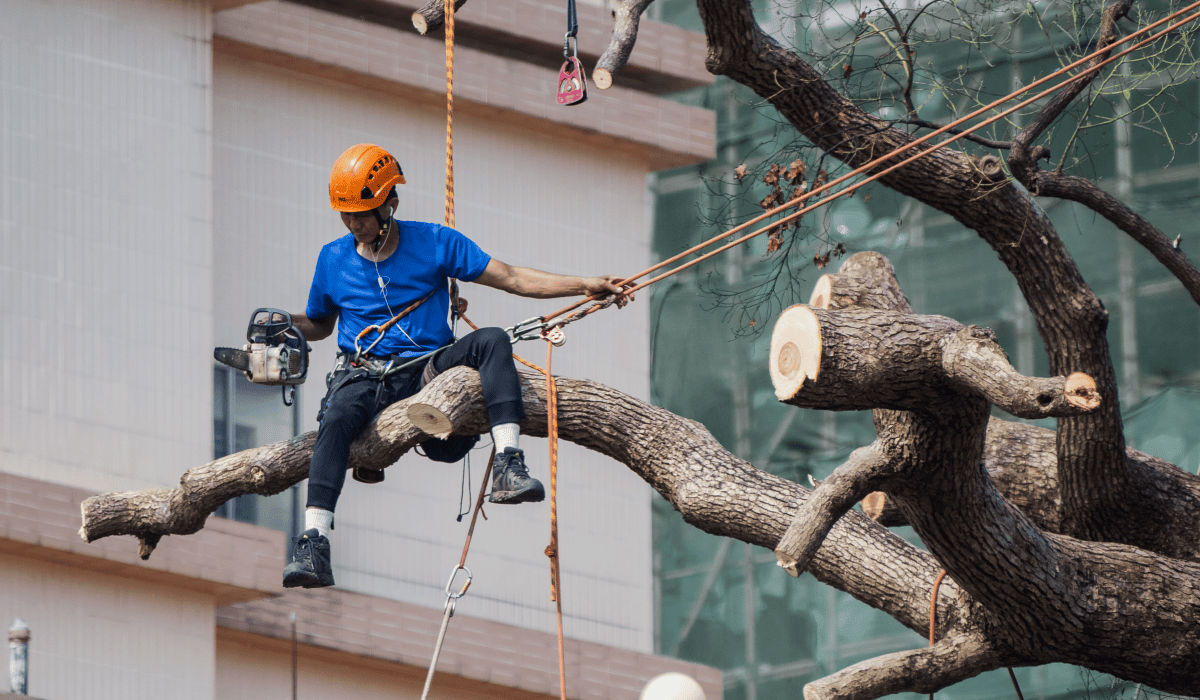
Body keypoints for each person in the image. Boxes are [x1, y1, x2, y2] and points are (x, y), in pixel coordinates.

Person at [280, 144, 631, 589]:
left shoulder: (434, 243)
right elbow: (321, 324)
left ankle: (509, 462)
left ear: (391, 203)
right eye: (346, 215)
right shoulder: (332, 258)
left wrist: (585, 285)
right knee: (336, 419)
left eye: (364, 213)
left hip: (429, 367)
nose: (355, 224)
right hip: (364, 373)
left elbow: (513, 278)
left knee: (492, 340)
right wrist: (284, 322)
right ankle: (314, 543)